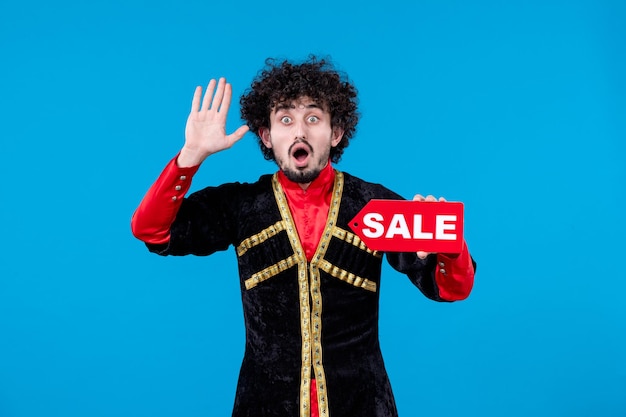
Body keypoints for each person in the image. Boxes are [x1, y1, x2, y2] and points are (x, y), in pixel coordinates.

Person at [131, 56, 476, 417]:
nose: (300, 132)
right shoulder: (240, 207)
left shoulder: (375, 205)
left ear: (336, 132)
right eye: (285, 119)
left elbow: (452, 288)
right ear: (266, 135)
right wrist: (191, 156)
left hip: (362, 405)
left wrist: (447, 246)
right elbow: (151, 230)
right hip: (263, 406)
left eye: (313, 118)